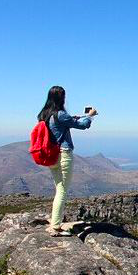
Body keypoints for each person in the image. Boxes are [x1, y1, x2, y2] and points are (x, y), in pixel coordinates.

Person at [37, 86, 97, 236]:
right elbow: (83, 125)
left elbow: (66, 122)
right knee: (62, 191)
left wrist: (74, 118)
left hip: (51, 156)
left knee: (59, 188)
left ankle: (54, 222)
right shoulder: (60, 114)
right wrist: (90, 116)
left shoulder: (44, 114)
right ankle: (56, 226)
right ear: (61, 98)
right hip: (63, 155)